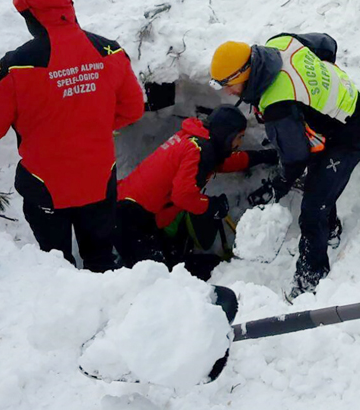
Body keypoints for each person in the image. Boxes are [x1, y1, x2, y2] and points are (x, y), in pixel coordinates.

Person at [0, 0, 144, 272]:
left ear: (25, 11)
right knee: (101, 260)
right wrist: (94, 122)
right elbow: (133, 109)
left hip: (44, 188)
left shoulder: (17, 65)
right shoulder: (110, 51)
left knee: (55, 266)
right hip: (99, 180)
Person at [210, 33, 360, 297]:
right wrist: (320, 92)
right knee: (320, 184)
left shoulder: (278, 107)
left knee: (312, 207)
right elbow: (327, 43)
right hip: (345, 108)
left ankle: (312, 278)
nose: (226, 91)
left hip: (351, 132)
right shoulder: (281, 44)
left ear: (245, 73)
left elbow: (296, 158)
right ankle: (330, 230)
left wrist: (278, 185)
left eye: (227, 84)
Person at [114, 104, 278, 280]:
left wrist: (263, 157)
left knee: (166, 268)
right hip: (130, 217)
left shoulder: (197, 140)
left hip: (134, 211)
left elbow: (225, 162)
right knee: (155, 281)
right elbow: (182, 195)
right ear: (226, 134)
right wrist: (211, 206)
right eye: (238, 137)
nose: (239, 143)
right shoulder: (198, 149)